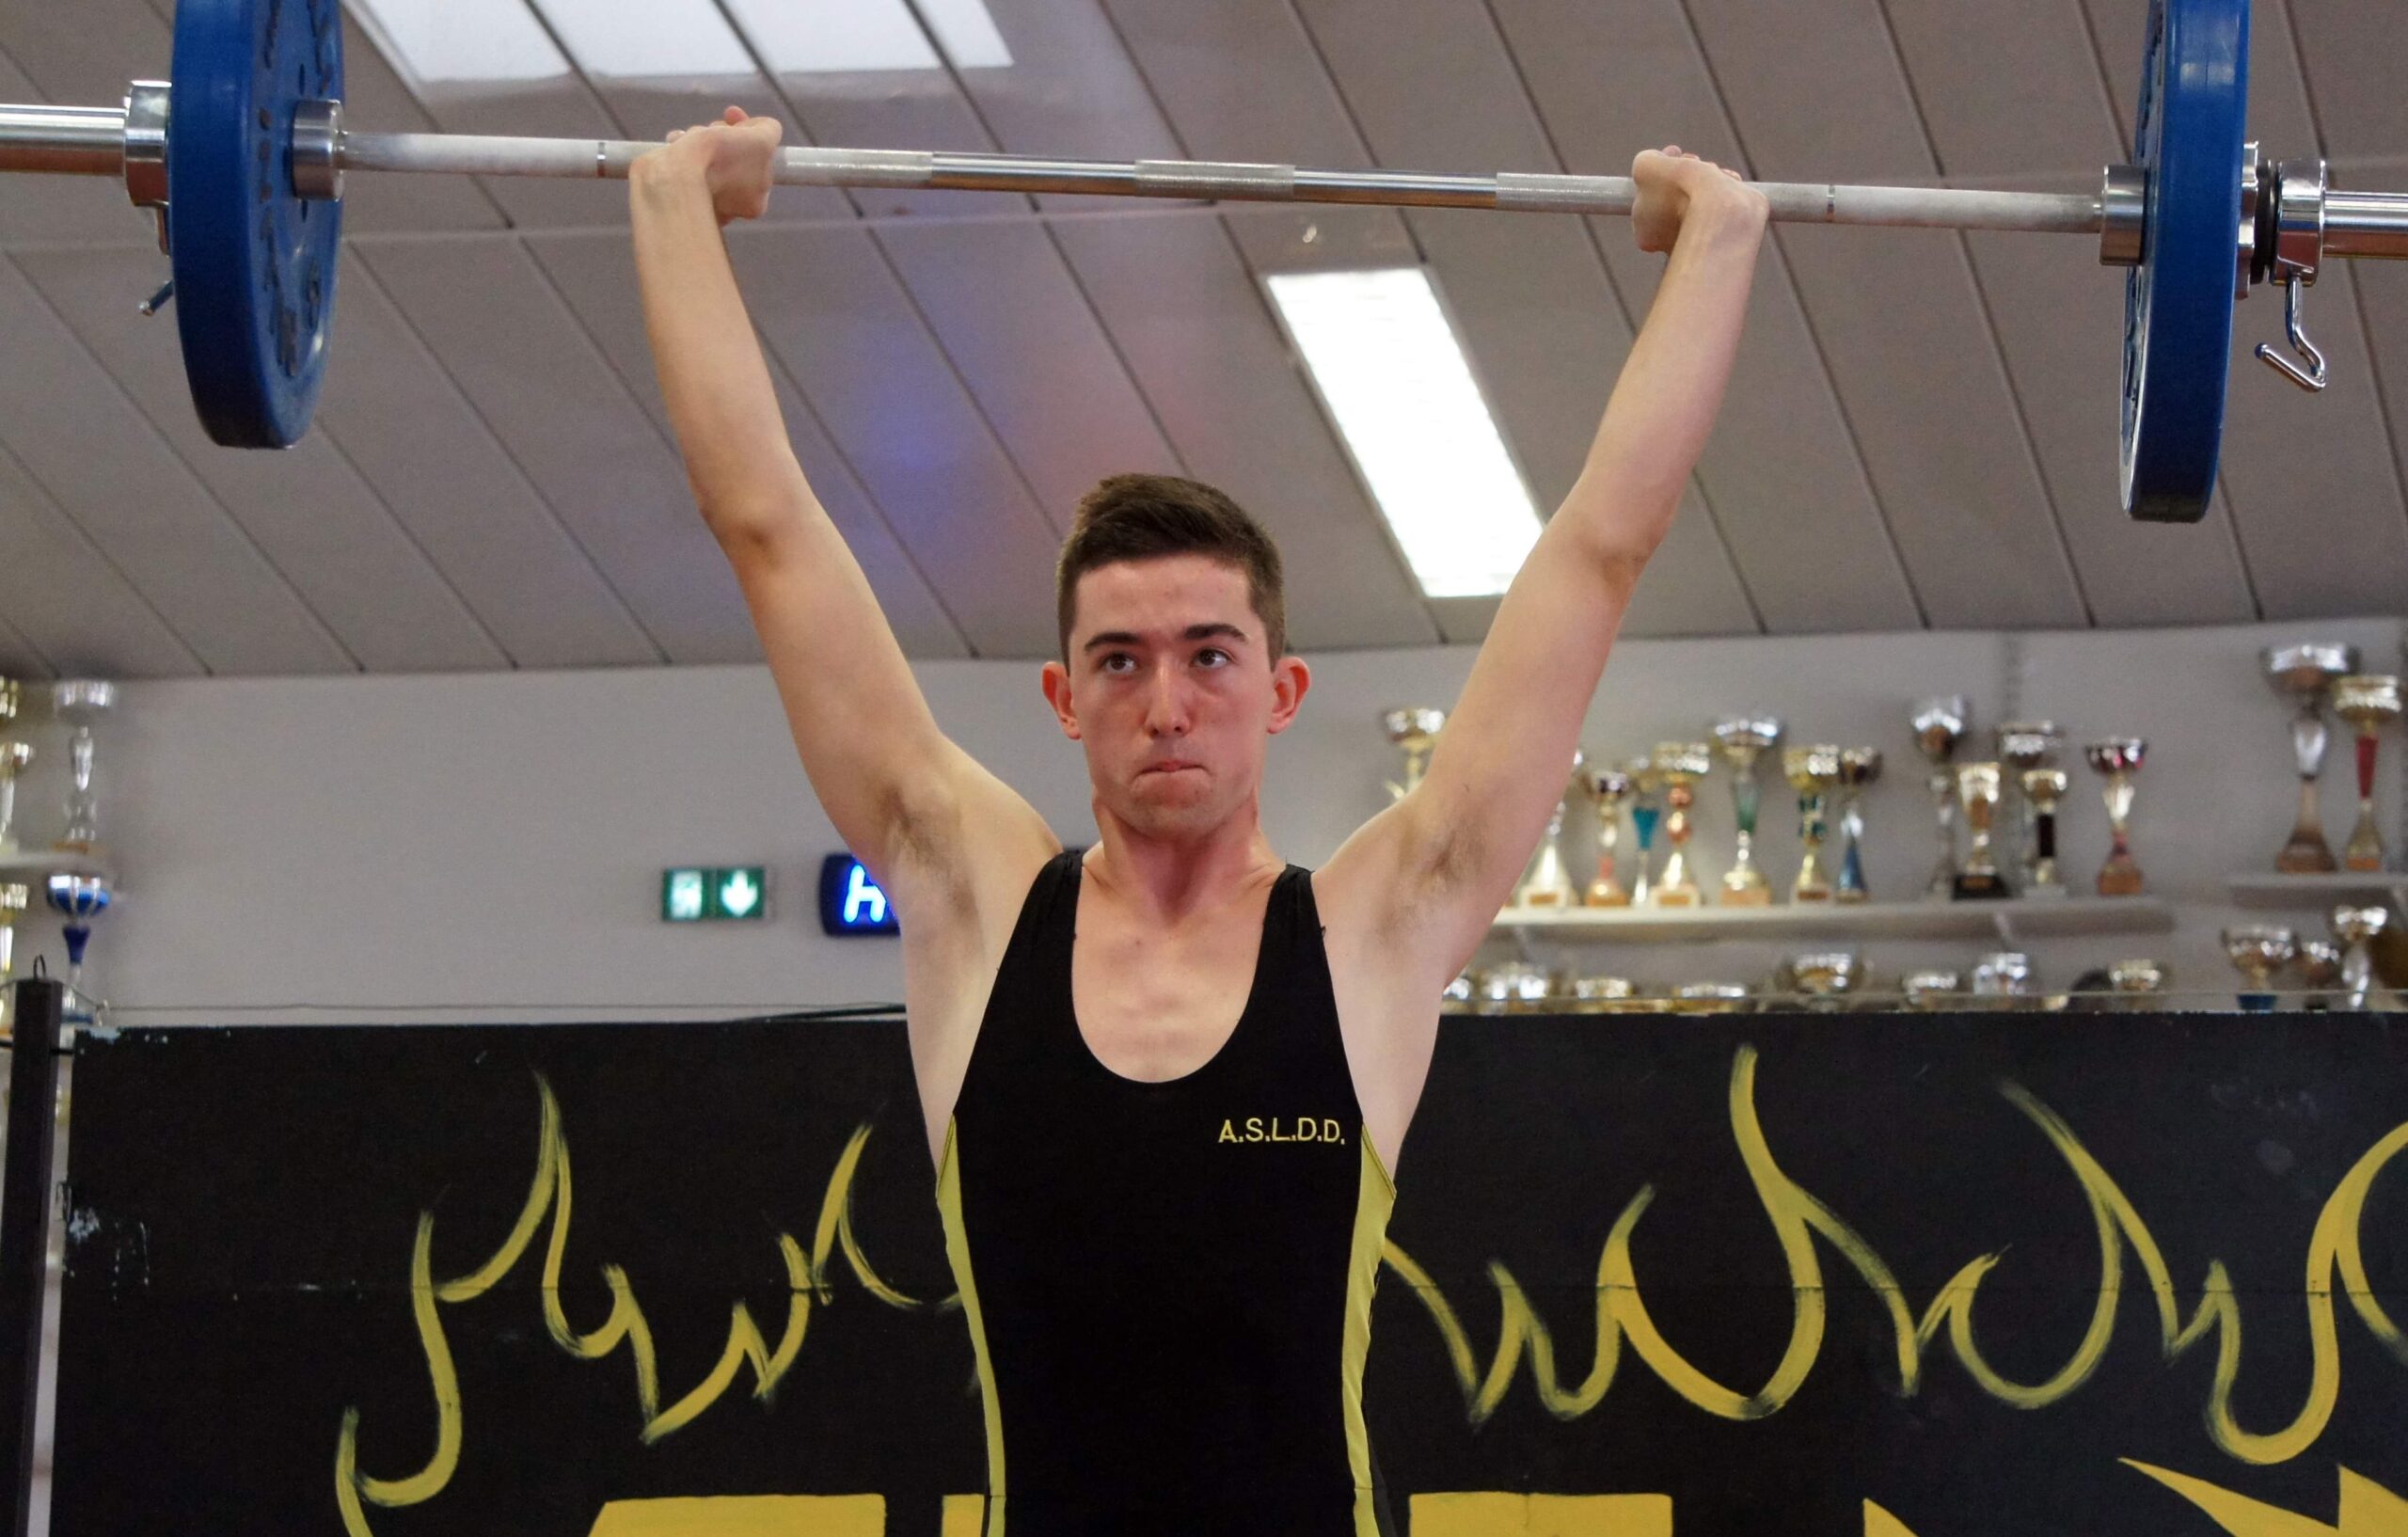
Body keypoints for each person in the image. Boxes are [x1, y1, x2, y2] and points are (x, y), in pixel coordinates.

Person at [631, 111, 1767, 1536]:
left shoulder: (1371, 933)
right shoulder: (977, 907)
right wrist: (674, 206)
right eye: (1120, 660)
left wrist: (1719, 242)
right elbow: (767, 529)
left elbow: (1600, 549)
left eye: (1209, 655)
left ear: (1281, 690)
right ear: (1064, 697)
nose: (1166, 703)